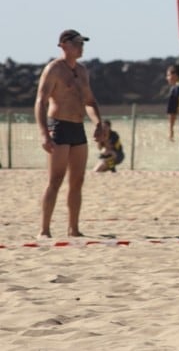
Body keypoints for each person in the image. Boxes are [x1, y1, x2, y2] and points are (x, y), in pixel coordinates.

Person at [34, 29, 106, 238]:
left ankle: (73, 228)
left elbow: (90, 101)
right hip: (58, 126)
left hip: (77, 127)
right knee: (55, 179)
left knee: (78, 180)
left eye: (82, 43)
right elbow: (41, 101)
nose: (81, 47)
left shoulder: (82, 71)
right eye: (77, 43)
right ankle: (44, 229)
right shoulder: (54, 69)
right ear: (64, 45)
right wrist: (44, 134)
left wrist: (98, 123)